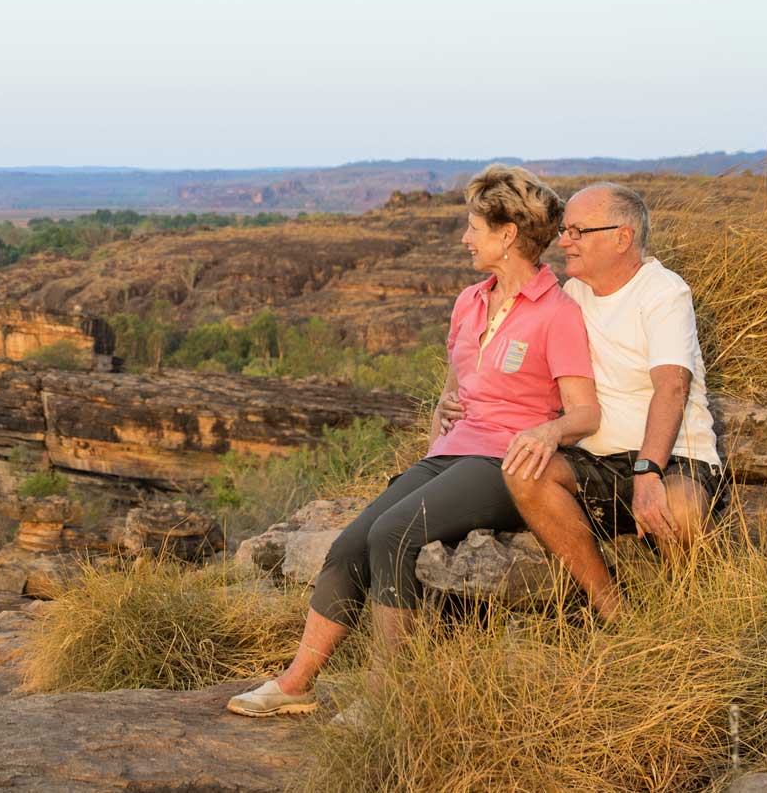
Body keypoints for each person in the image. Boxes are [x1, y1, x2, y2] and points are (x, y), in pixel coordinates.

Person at [228, 165, 600, 718]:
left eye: (474, 228)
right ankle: (296, 683)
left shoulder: (557, 312)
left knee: (393, 534)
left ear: (508, 235)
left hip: (503, 460)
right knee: (352, 542)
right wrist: (437, 428)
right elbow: (453, 391)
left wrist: (548, 430)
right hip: (451, 454)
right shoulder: (469, 301)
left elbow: (585, 412)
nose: (465, 238)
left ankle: (387, 697)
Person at [493, 182, 726, 620]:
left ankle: (699, 613)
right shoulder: (573, 294)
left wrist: (648, 472)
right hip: (598, 462)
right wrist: (464, 397)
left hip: (673, 459)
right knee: (524, 472)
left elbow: (671, 387)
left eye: (578, 231)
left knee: (677, 508)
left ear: (622, 238)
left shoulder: (663, 292)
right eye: (564, 231)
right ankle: (613, 610)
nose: (565, 241)